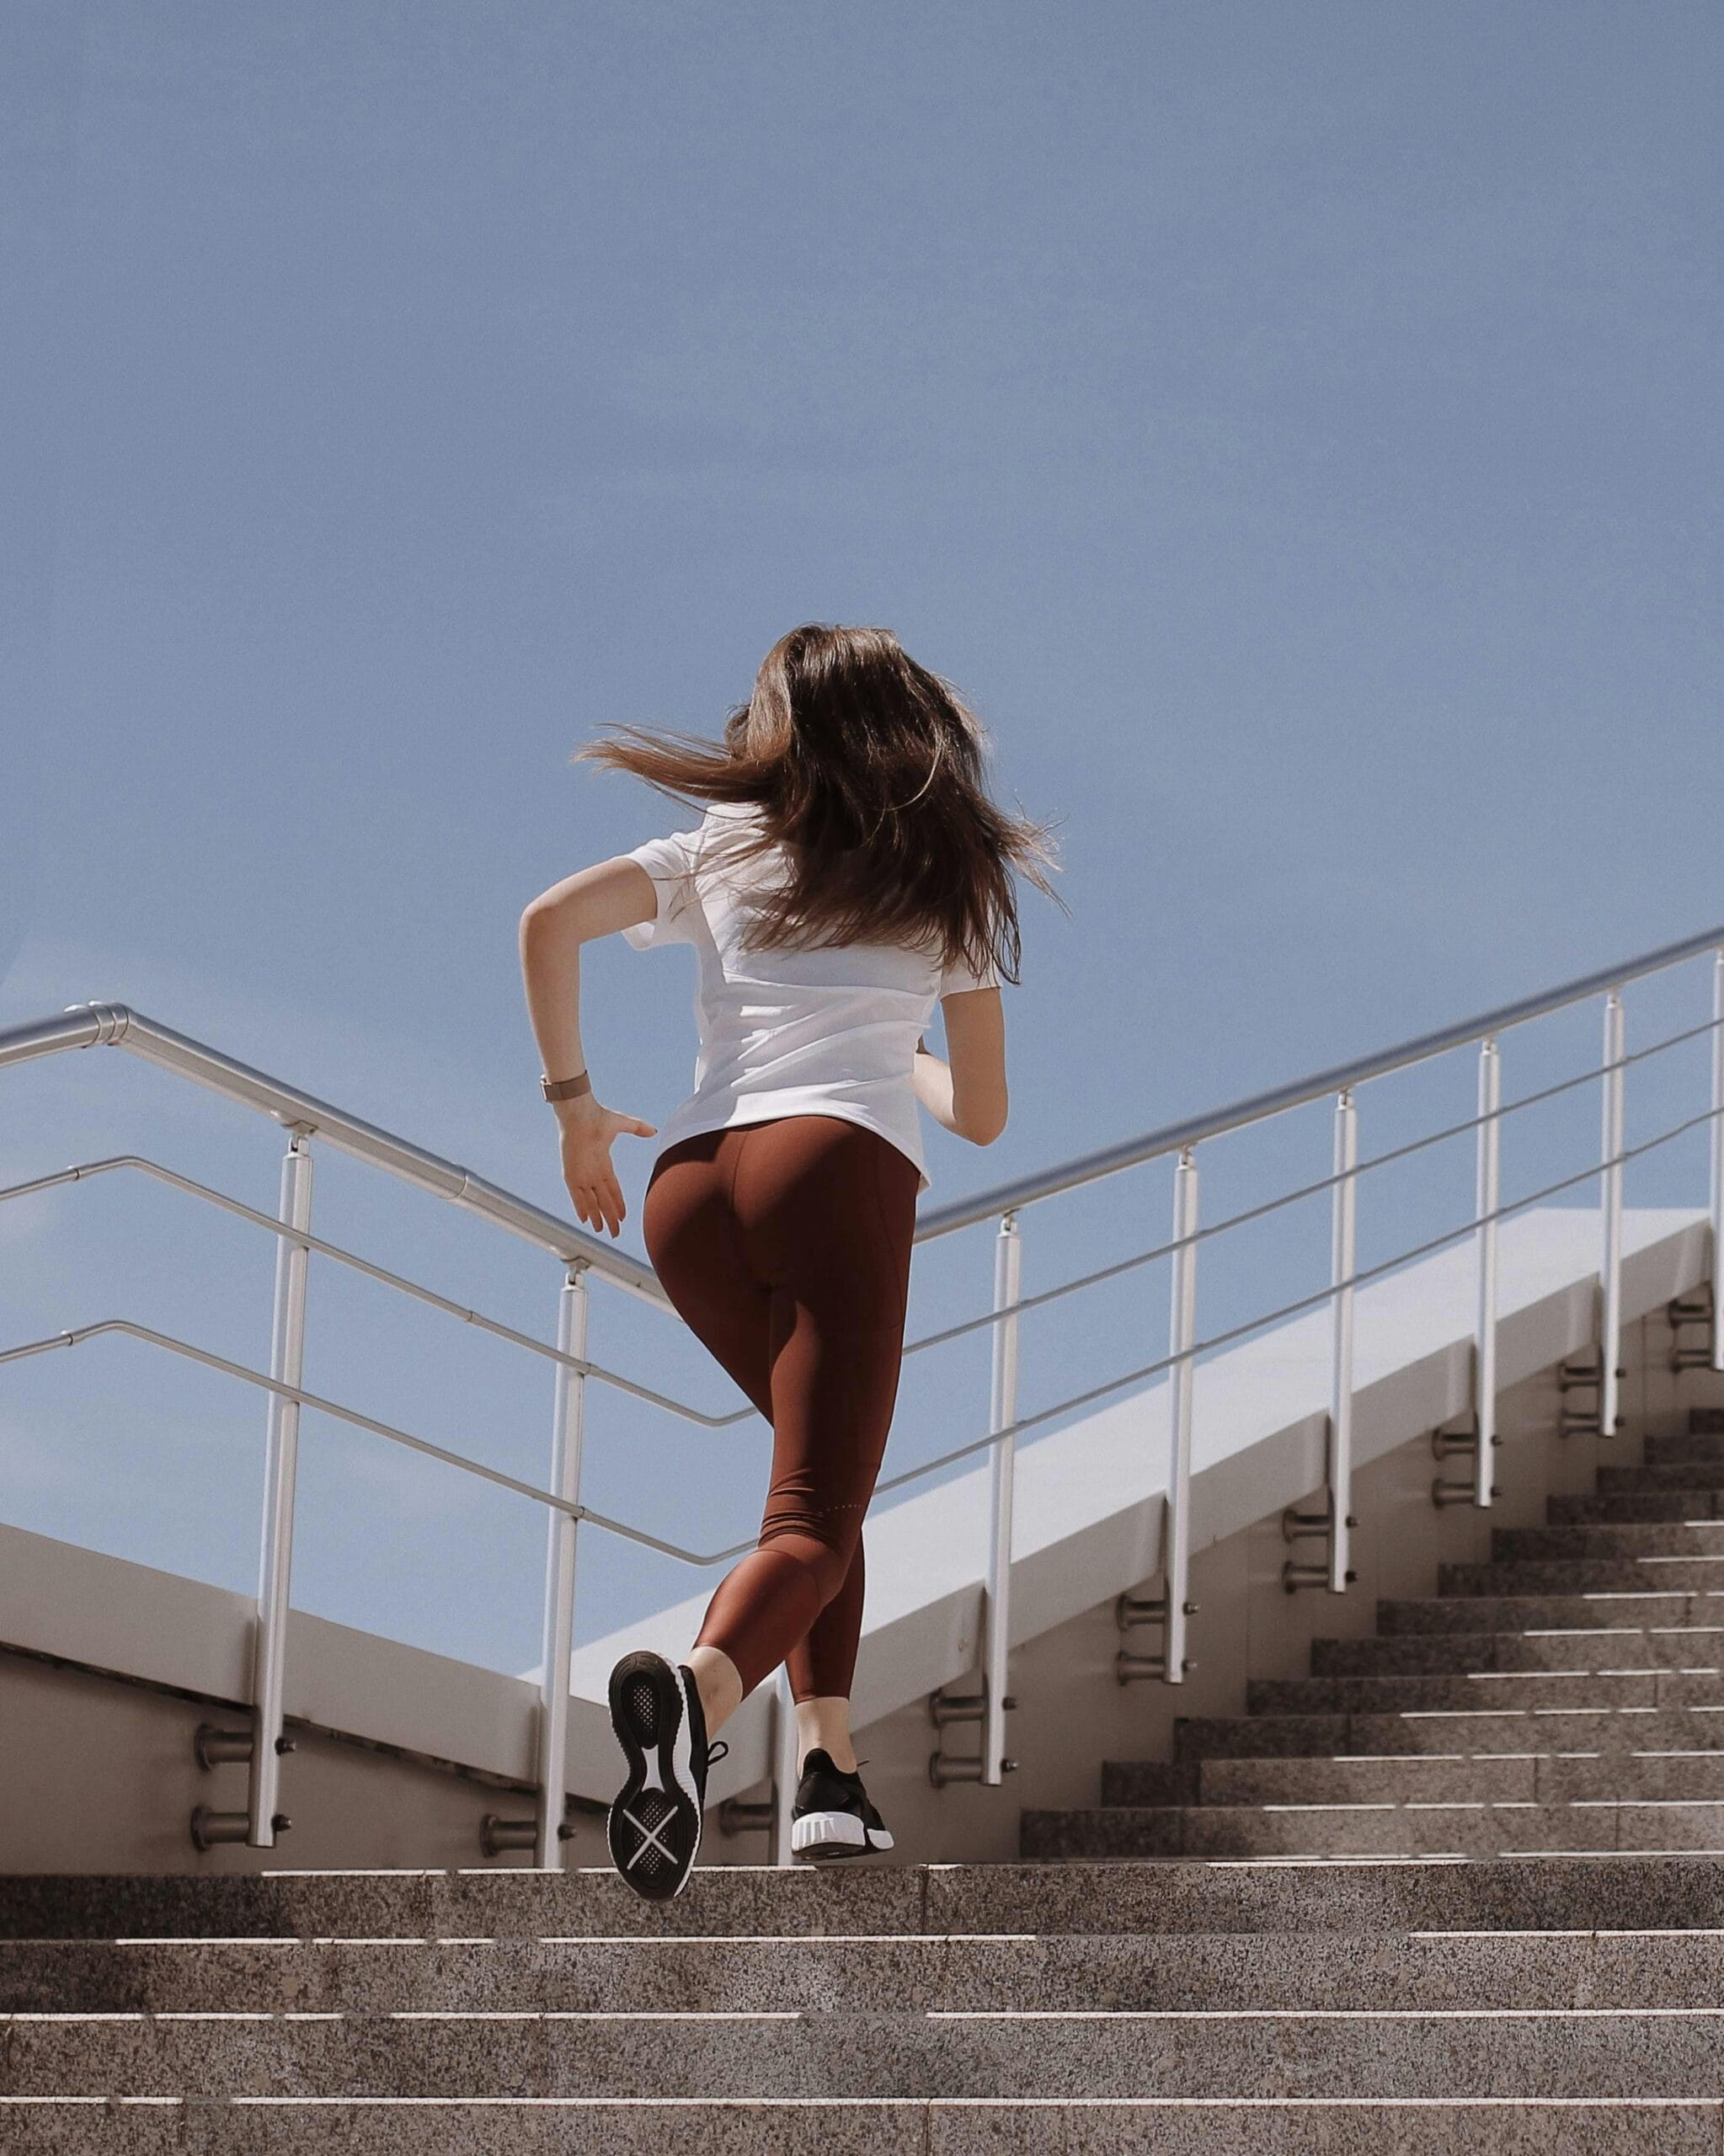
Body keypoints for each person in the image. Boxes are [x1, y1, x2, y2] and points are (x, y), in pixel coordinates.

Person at [518, 622, 1059, 1901]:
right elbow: (978, 1113)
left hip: (692, 1188)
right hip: (835, 1173)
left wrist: (576, 1110)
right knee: (815, 1513)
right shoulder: (952, 870)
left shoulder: (721, 844)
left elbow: (547, 924)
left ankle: (829, 1772)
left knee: (813, 1489)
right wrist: (899, 1049)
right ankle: (695, 1703)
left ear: (783, 727)